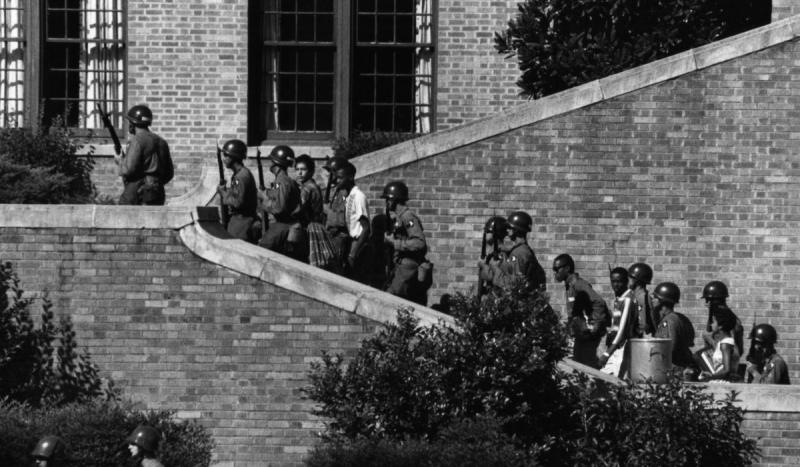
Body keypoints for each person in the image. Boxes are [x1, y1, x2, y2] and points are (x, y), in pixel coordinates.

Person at [553, 254, 609, 369]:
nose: (555, 273)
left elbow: (599, 302)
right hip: (580, 337)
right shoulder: (570, 286)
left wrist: (594, 326)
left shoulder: (579, 284)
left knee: (589, 369)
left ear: (567, 268)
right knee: (579, 369)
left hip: (589, 339)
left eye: (557, 269)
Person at [383, 181, 430, 305]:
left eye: (388, 199)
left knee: (390, 299)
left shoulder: (407, 217)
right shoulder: (399, 217)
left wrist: (395, 243)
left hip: (409, 266)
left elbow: (419, 243)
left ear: (395, 200)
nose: (386, 202)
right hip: (400, 265)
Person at [116, 105, 172, 205]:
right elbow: (169, 174)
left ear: (133, 124)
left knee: (123, 218)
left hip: (136, 191)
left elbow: (128, 170)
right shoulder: (162, 142)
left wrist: (120, 161)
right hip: (157, 192)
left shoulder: (137, 140)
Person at [478, 211, 546, 294]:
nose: (507, 230)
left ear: (516, 230)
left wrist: (494, 269)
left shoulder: (519, 253)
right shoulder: (521, 250)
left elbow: (513, 286)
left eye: (510, 228)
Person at [258, 145, 301, 258]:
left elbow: (279, 208)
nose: (270, 163)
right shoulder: (283, 181)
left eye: (271, 160)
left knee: (263, 251)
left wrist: (264, 198)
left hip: (283, 225)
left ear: (276, 163)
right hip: (283, 225)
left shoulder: (282, 181)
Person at [216, 139, 258, 242]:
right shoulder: (240, 174)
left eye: (226, 156)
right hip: (240, 221)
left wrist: (223, 193)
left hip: (241, 223)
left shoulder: (240, 177)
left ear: (234, 157)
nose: (223, 159)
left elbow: (237, 202)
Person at [651, 282, 695, 374]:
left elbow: (669, 348)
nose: (652, 300)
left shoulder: (668, 321)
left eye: (655, 298)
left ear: (661, 301)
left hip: (673, 371)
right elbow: (690, 342)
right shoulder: (682, 318)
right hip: (684, 366)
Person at [336, 162, 371, 281]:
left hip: (358, 243)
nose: (337, 181)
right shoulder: (350, 196)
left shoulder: (358, 196)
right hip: (351, 242)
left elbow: (366, 228)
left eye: (340, 177)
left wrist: (353, 253)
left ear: (350, 177)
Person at [295, 154, 331, 265]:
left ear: (311, 172)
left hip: (309, 228)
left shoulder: (307, 188)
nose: (299, 173)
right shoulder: (311, 185)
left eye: (303, 169)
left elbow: (298, 209)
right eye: (297, 169)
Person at [600, 267, 634, 378]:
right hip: (616, 348)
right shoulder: (619, 299)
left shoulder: (628, 299)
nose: (616, 285)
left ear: (626, 282)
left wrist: (606, 354)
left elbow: (622, 331)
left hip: (623, 349)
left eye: (619, 281)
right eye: (613, 281)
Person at [697, 305, 741, 382]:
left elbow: (726, 370)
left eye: (714, 322)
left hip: (724, 385)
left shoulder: (726, 344)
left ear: (720, 326)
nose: (711, 325)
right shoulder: (726, 342)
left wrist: (710, 377)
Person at [701, 280, 744, 356]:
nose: (706, 303)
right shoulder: (714, 316)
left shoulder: (728, 319)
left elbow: (734, 350)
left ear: (715, 300)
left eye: (708, 300)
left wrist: (708, 338)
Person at [322, 156, 351, 272]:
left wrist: (327, 211)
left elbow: (342, 219)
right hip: (331, 235)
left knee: (334, 270)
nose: (329, 176)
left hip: (338, 237)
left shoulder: (345, 192)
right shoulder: (337, 190)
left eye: (331, 173)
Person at [476, 216, 508, 297]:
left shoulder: (502, 254)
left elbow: (493, 277)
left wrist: (482, 265)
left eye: (488, 231)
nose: (486, 233)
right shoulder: (492, 252)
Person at [627, 262, 656, 337]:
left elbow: (643, 325)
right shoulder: (637, 295)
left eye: (630, 278)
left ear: (636, 280)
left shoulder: (641, 297)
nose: (627, 281)